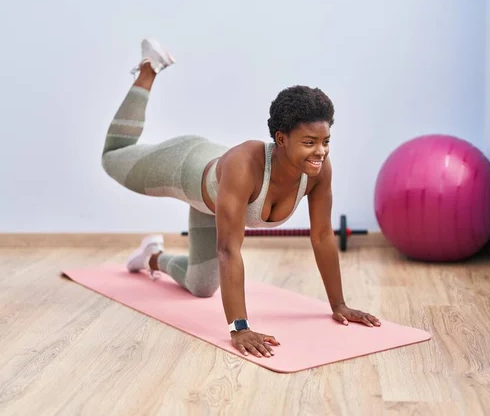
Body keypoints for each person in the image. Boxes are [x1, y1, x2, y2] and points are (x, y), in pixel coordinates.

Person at [102, 37, 381, 359]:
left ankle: (151, 256)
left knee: (201, 286)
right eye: (309, 142)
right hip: (181, 165)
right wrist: (240, 327)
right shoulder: (244, 165)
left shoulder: (317, 171)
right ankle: (149, 69)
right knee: (112, 157)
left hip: (215, 204)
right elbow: (228, 250)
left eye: (325, 141)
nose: (320, 151)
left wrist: (339, 305)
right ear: (281, 139)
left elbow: (321, 236)